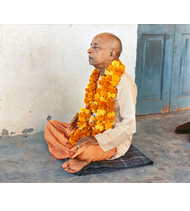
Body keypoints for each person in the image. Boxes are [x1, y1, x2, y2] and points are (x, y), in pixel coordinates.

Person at [44, 32, 137, 173]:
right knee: (52, 126)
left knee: (85, 151)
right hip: (91, 130)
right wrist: (82, 120)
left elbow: (128, 127)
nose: (89, 50)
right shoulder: (98, 76)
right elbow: (95, 111)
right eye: (90, 46)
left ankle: (81, 156)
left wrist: (97, 139)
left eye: (96, 47)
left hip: (111, 141)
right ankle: (76, 153)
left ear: (111, 54)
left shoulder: (124, 83)